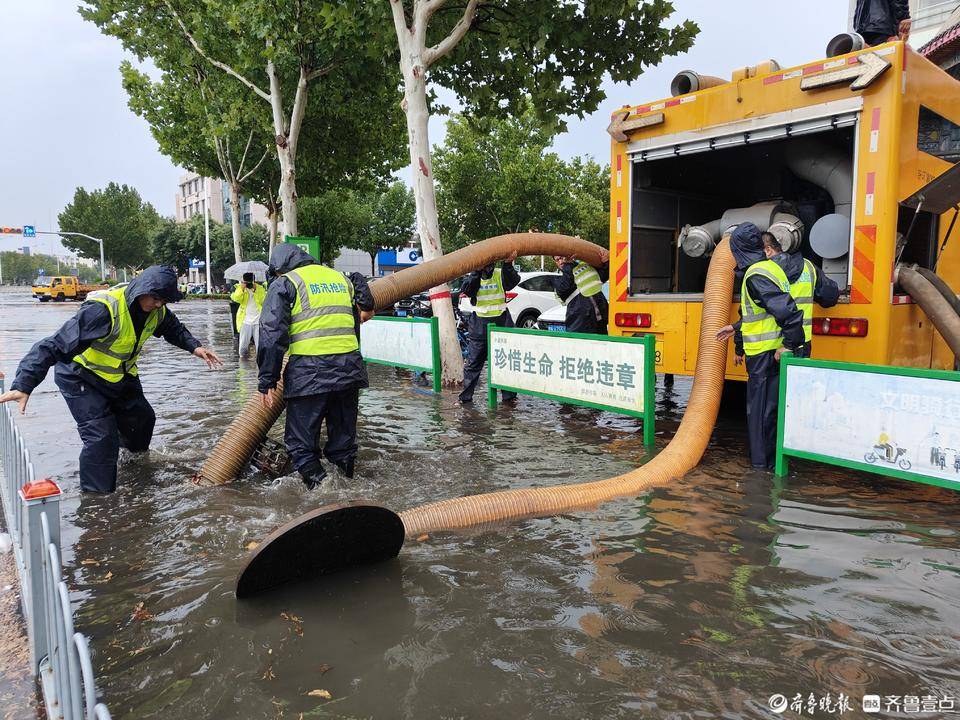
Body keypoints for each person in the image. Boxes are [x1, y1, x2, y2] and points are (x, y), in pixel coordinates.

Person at [0, 266, 223, 492]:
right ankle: (98, 500)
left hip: (119, 376)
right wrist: (24, 384)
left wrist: (195, 347)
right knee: (101, 440)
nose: (158, 304)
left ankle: (132, 464)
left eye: (163, 300)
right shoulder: (103, 311)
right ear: (140, 291)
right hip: (81, 377)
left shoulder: (158, 311)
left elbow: (174, 329)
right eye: (155, 298)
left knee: (142, 419)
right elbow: (52, 345)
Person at [257, 244, 375, 489]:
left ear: (278, 269)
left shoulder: (286, 283)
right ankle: (347, 490)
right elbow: (357, 300)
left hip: (310, 374)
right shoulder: (341, 278)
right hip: (349, 372)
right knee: (343, 443)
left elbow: (271, 335)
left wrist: (267, 380)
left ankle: (323, 492)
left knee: (300, 444)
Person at [458, 252, 520, 404]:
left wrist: (508, 264)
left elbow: (513, 281)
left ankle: (509, 398)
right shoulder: (474, 277)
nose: (488, 266)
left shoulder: (500, 274)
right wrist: (476, 271)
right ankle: (465, 398)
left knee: (504, 363)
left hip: (501, 325)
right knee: (473, 364)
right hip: (480, 327)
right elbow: (467, 289)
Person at [550, 249, 611, 334]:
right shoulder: (558, 280)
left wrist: (606, 263)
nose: (560, 261)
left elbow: (602, 276)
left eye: (561, 258)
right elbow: (566, 285)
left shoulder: (585, 267)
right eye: (557, 260)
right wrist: (568, 265)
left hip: (600, 322)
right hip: (579, 326)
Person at [230, 271, 266, 357]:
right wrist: (242, 289)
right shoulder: (239, 288)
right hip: (245, 321)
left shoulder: (260, 288)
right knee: (243, 347)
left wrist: (255, 290)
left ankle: (259, 364)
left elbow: (263, 301)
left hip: (258, 320)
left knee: (259, 346)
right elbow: (236, 299)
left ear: (253, 280)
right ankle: (243, 366)